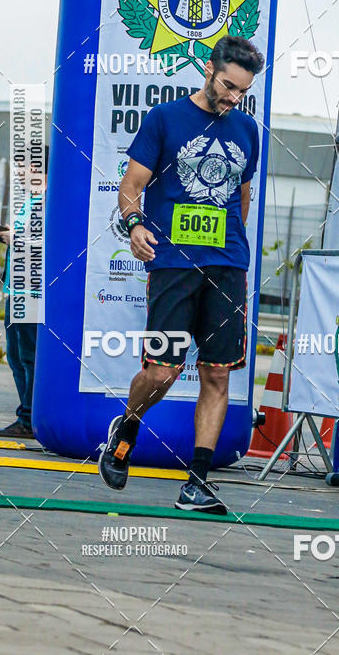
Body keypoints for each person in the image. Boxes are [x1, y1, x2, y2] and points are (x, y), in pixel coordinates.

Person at [98, 35, 263, 513]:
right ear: (209, 71)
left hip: (228, 266)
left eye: (242, 92)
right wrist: (134, 225)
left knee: (216, 372)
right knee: (164, 370)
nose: (234, 98)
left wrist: (231, 240)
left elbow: (243, 191)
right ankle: (127, 425)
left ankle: (198, 482)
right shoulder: (165, 118)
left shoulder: (248, 129)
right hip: (173, 265)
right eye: (228, 86)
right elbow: (131, 186)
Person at [0, 147, 48, 439]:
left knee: (29, 355)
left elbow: (42, 245)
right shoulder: (30, 202)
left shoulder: (50, 202)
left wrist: (10, 236)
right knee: (15, 355)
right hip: (16, 288)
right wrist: (0, 234)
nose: (20, 175)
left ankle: (31, 418)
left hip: (33, 290)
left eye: (23, 169)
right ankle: (26, 413)